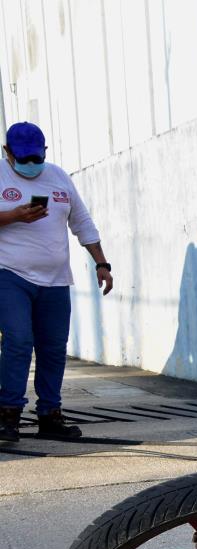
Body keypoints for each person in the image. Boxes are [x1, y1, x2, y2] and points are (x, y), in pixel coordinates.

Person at [0, 121, 113, 443]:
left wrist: (101, 262)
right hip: (9, 274)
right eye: (23, 159)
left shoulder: (59, 177)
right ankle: (8, 413)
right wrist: (14, 216)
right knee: (18, 341)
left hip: (55, 280)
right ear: (7, 152)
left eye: (36, 159)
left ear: (45, 152)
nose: (31, 165)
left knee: (52, 349)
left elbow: (81, 221)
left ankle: (50, 414)